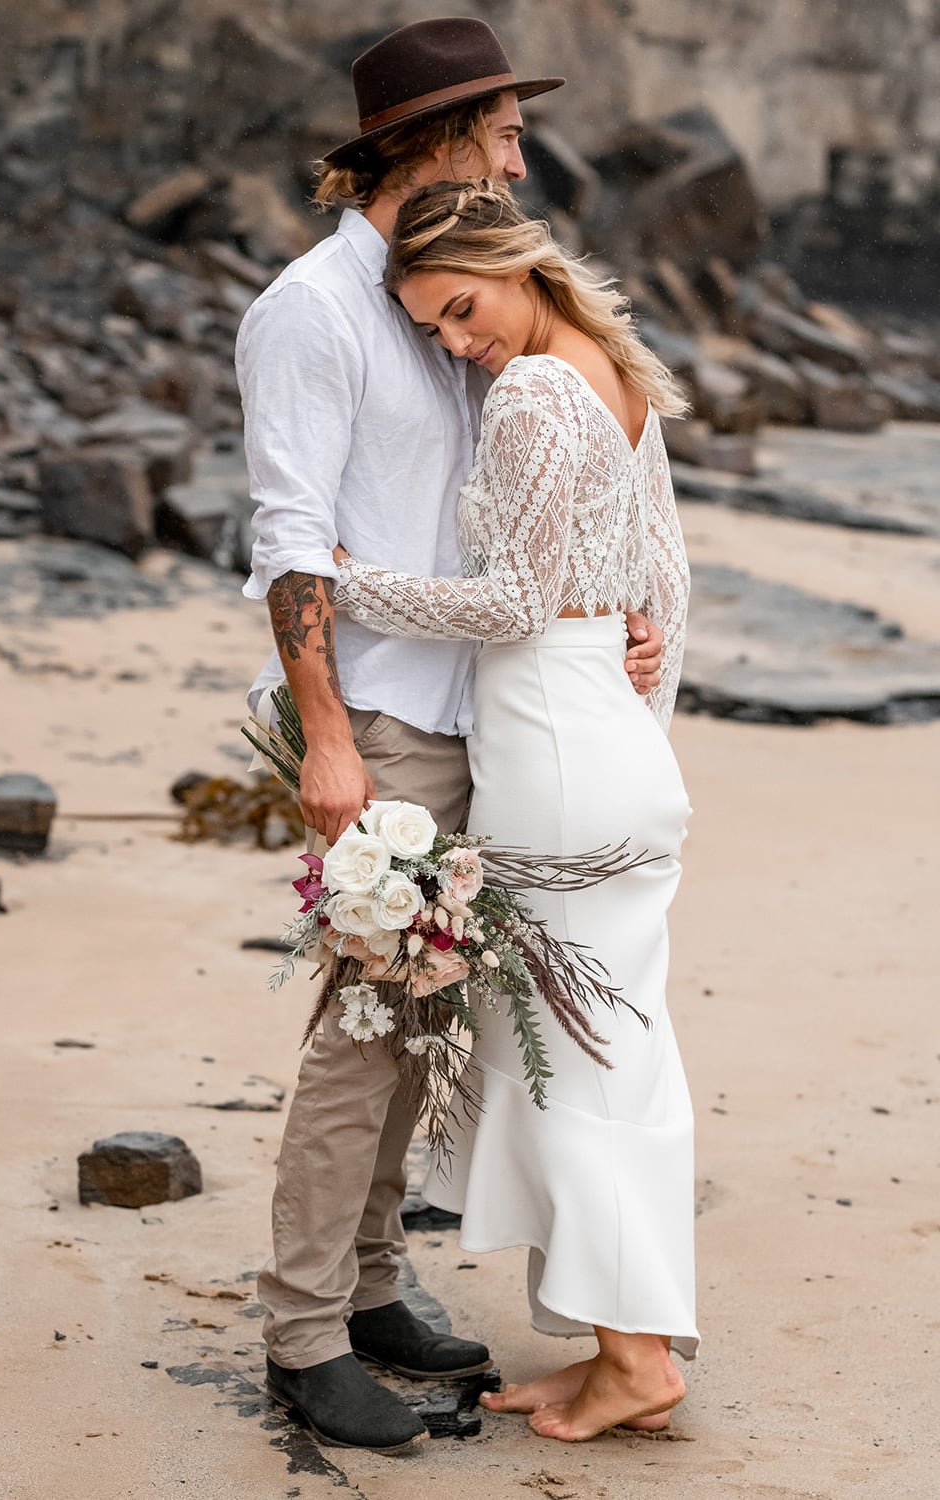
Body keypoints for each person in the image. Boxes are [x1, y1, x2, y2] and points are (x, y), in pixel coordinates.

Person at [237, 18, 664, 1454]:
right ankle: (303, 1335)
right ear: (432, 138)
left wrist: (619, 616)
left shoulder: (449, 298)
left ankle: (365, 1288)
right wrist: (327, 741)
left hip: (484, 711)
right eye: (499, 131)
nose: (519, 155)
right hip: (385, 718)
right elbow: (292, 540)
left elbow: (546, 513)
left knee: (424, 1023)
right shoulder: (314, 310)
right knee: (365, 1029)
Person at [331, 178, 697, 1442]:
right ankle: (619, 1350)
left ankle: (637, 1358)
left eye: (460, 308)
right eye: (432, 327)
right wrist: (642, 659)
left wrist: (341, 580)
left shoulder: (538, 390)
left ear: (514, 262)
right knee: (618, 1053)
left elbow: (513, 603)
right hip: (609, 743)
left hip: (554, 752)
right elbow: (662, 570)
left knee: (567, 1069)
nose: (455, 342)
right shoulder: (615, 371)